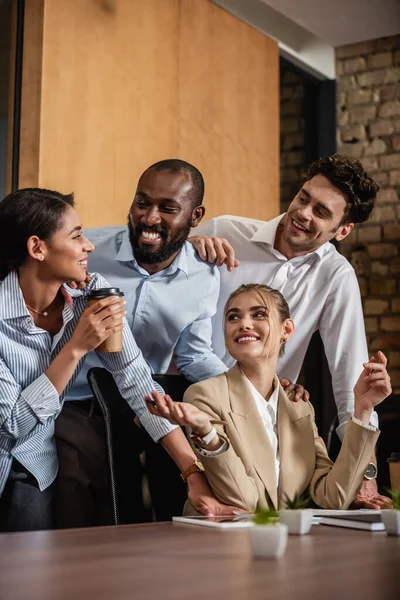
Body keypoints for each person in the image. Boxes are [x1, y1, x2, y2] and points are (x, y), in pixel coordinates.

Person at [0, 188, 229, 532]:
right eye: (76, 236)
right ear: (37, 248)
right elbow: (12, 424)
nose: (88, 246)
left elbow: (136, 381)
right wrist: (76, 347)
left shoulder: (92, 294)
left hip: (35, 462)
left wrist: (192, 474)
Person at [190, 154, 391, 509]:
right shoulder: (223, 232)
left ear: (342, 231)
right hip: (187, 396)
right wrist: (185, 249)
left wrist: (367, 477)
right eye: (303, 198)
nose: (303, 213)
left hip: (259, 419)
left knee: (257, 509)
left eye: (322, 212)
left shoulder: (335, 276)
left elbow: (351, 380)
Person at [147, 284, 392, 513]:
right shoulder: (204, 394)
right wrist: (208, 434)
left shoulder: (300, 406)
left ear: (286, 330)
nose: (243, 324)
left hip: (283, 545)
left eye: (259, 314)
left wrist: (362, 409)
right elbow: (244, 502)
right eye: (233, 317)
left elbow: (334, 496)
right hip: (219, 547)